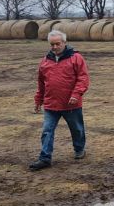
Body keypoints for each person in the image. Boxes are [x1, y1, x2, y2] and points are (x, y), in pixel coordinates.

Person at [29, 30, 90, 171]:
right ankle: (45, 158)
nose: (55, 47)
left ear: (64, 43)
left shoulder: (76, 58)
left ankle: (79, 149)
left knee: (77, 130)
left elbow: (83, 79)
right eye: (52, 44)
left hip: (71, 104)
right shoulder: (45, 61)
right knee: (47, 131)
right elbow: (41, 83)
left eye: (57, 44)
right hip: (51, 104)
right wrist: (38, 100)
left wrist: (76, 95)